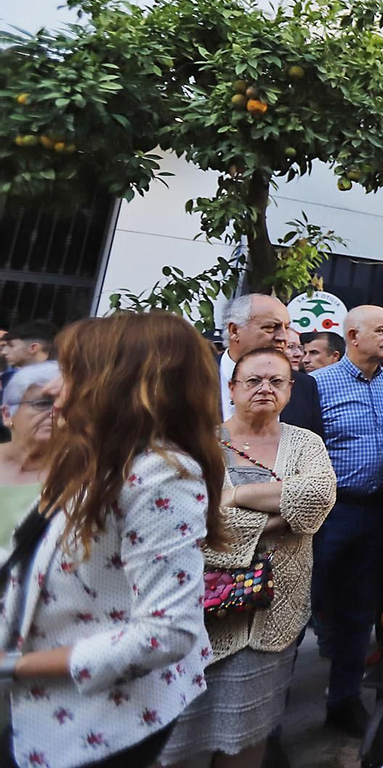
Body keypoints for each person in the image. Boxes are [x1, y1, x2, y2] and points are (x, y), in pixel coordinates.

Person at [0, 312, 226, 768]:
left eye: (72, 373)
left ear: (118, 383)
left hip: (96, 725)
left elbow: (167, 632)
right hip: (40, 709)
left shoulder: (161, 475)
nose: (50, 390)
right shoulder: (95, 456)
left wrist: (16, 666)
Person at [161, 347, 337, 768]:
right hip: (195, 613)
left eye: (276, 381)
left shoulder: (305, 442)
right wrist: (276, 517)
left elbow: (317, 498)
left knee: (247, 736)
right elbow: (189, 517)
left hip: (272, 613)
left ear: (290, 390)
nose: (265, 388)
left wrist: (233, 496)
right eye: (254, 380)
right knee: (178, 736)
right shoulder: (198, 443)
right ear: (232, 387)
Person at [310, 304, 383, 736]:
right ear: (352, 336)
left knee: (359, 610)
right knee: (303, 606)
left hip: (375, 514)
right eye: (381, 331)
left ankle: (343, 701)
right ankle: (269, 727)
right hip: (327, 513)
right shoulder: (316, 385)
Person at [217, 295, 322, 436]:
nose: (283, 337)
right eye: (271, 328)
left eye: (286, 327)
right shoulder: (192, 375)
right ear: (234, 331)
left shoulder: (303, 386)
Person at [0, 362, 57, 541]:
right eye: (42, 403)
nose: (56, 413)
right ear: (7, 414)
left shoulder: (79, 475)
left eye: (66, 405)